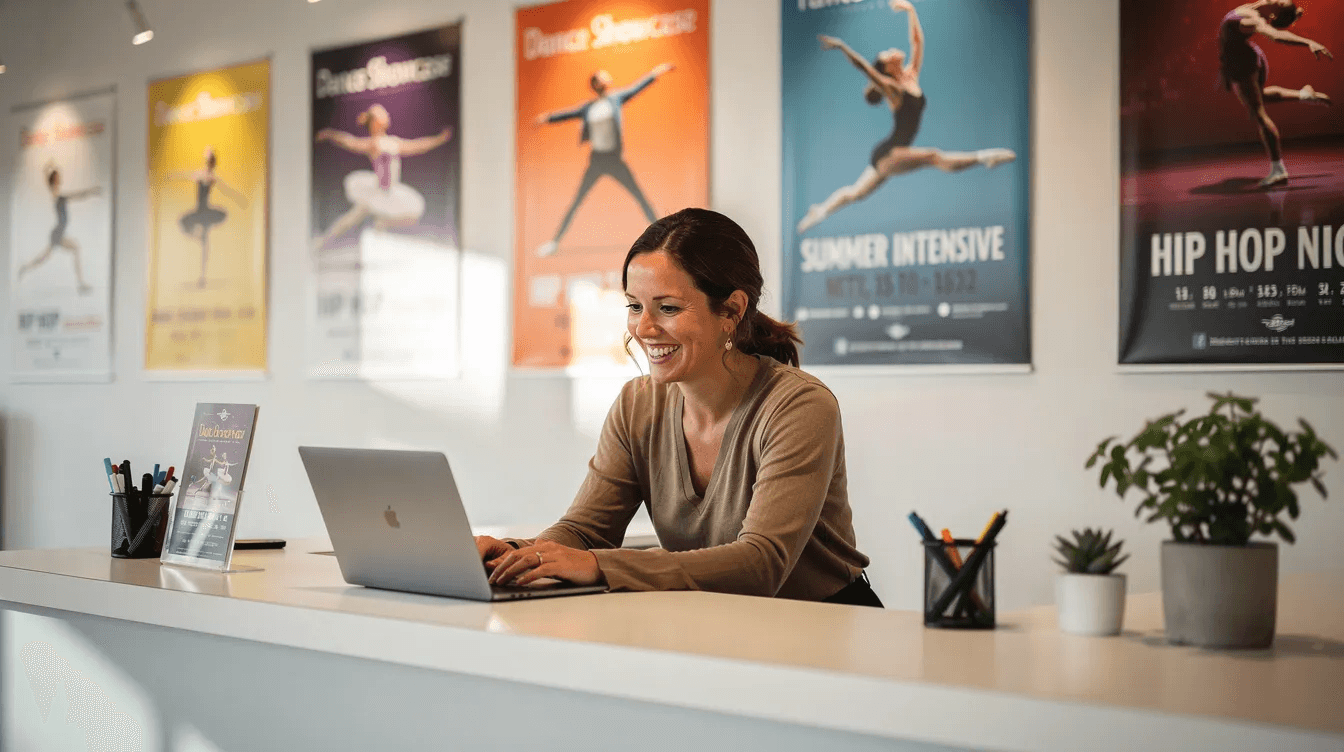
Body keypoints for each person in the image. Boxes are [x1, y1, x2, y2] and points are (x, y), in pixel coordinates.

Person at [478, 208, 881, 607]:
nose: (643, 328)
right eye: (635, 306)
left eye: (667, 308)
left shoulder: (798, 406)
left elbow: (762, 564)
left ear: (731, 311)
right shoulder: (637, 404)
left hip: (823, 626)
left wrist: (599, 566)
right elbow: (586, 533)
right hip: (713, 625)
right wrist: (511, 553)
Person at [796, 0, 1016, 235]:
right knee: (933, 156)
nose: (892, 50)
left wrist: (911, 11)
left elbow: (917, 42)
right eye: (887, 54)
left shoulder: (911, 75)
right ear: (888, 67)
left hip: (890, 151)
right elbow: (865, 68)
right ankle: (985, 157)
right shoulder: (893, 90)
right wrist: (841, 47)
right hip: (890, 152)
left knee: (856, 193)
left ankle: (820, 210)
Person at [532, 64, 675, 258]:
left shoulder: (616, 99)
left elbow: (637, 87)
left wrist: (657, 72)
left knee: (639, 195)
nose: (607, 80)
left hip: (614, 159)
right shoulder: (589, 108)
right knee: (577, 200)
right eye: (602, 78)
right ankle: (554, 242)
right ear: (596, 84)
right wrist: (547, 118)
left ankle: (664, 238)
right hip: (597, 160)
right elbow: (567, 114)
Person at [1218, 0, 1333, 188]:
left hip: (1244, 63)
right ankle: (1305, 95)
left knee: (1258, 114)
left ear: (1272, 15)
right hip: (1243, 58)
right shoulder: (1253, 8)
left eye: (1278, 3)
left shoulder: (1253, 19)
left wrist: (1308, 42)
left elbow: (1276, 35)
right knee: (1260, 97)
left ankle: (1278, 171)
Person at [312, 104, 452, 254]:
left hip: (392, 190)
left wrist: (439, 139)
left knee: (412, 215)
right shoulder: (372, 143)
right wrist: (330, 134)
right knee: (352, 218)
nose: (386, 116)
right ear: (374, 122)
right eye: (382, 114)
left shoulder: (393, 141)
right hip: (378, 190)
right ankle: (323, 241)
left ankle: (381, 225)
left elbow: (418, 145)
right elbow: (349, 141)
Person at [16, 164, 101, 294]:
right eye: (57, 177)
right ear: (55, 180)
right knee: (73, 249)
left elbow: (48, 182)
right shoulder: (58, 196)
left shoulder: (55, 193)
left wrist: (47, 170)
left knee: (45, 257)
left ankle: (25, 268)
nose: (60, 179)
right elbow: (77, 195)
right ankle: (80, 285)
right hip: (57, 233)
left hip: (58, 233)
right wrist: (91, 192)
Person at [169, 147, 247, 288]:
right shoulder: (202, 175)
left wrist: (239, 199)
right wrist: (173, 175)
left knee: (205, 243)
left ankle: (202, 277)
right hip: (200, 212)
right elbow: (186, 175)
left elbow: (226, 190)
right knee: (186, 226)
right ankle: (197, 239)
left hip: (205, 213)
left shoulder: (211, 177)